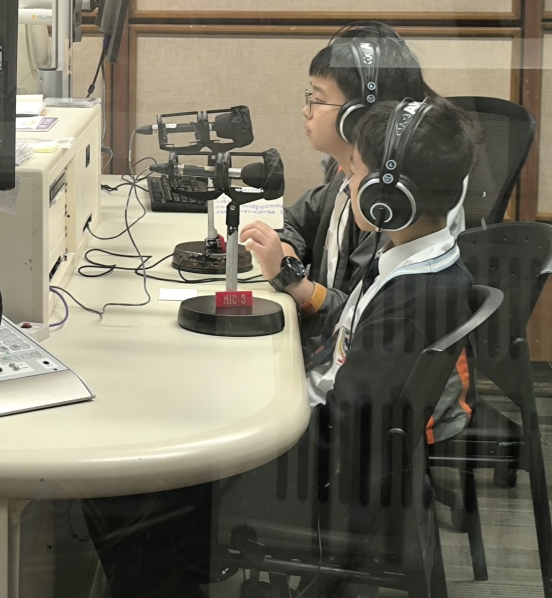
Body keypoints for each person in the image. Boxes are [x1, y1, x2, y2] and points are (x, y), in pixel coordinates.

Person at [82, 97, 478, 597]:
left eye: (355, 170)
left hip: (310, 481)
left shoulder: (416, 297)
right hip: (320, 455)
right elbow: (353, 353)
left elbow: (346, 426)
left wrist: (241, 420)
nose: (345, 177)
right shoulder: (412, 262)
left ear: (388, 196)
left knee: (122, 494)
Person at [240, 22, 462, 328]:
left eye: (318, 99)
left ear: (356, 117)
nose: (306, 110)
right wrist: (285, 259)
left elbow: (363, 315)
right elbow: (292, 219)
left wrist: (291, 280)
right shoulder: (345, 174)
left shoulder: (388, 205)